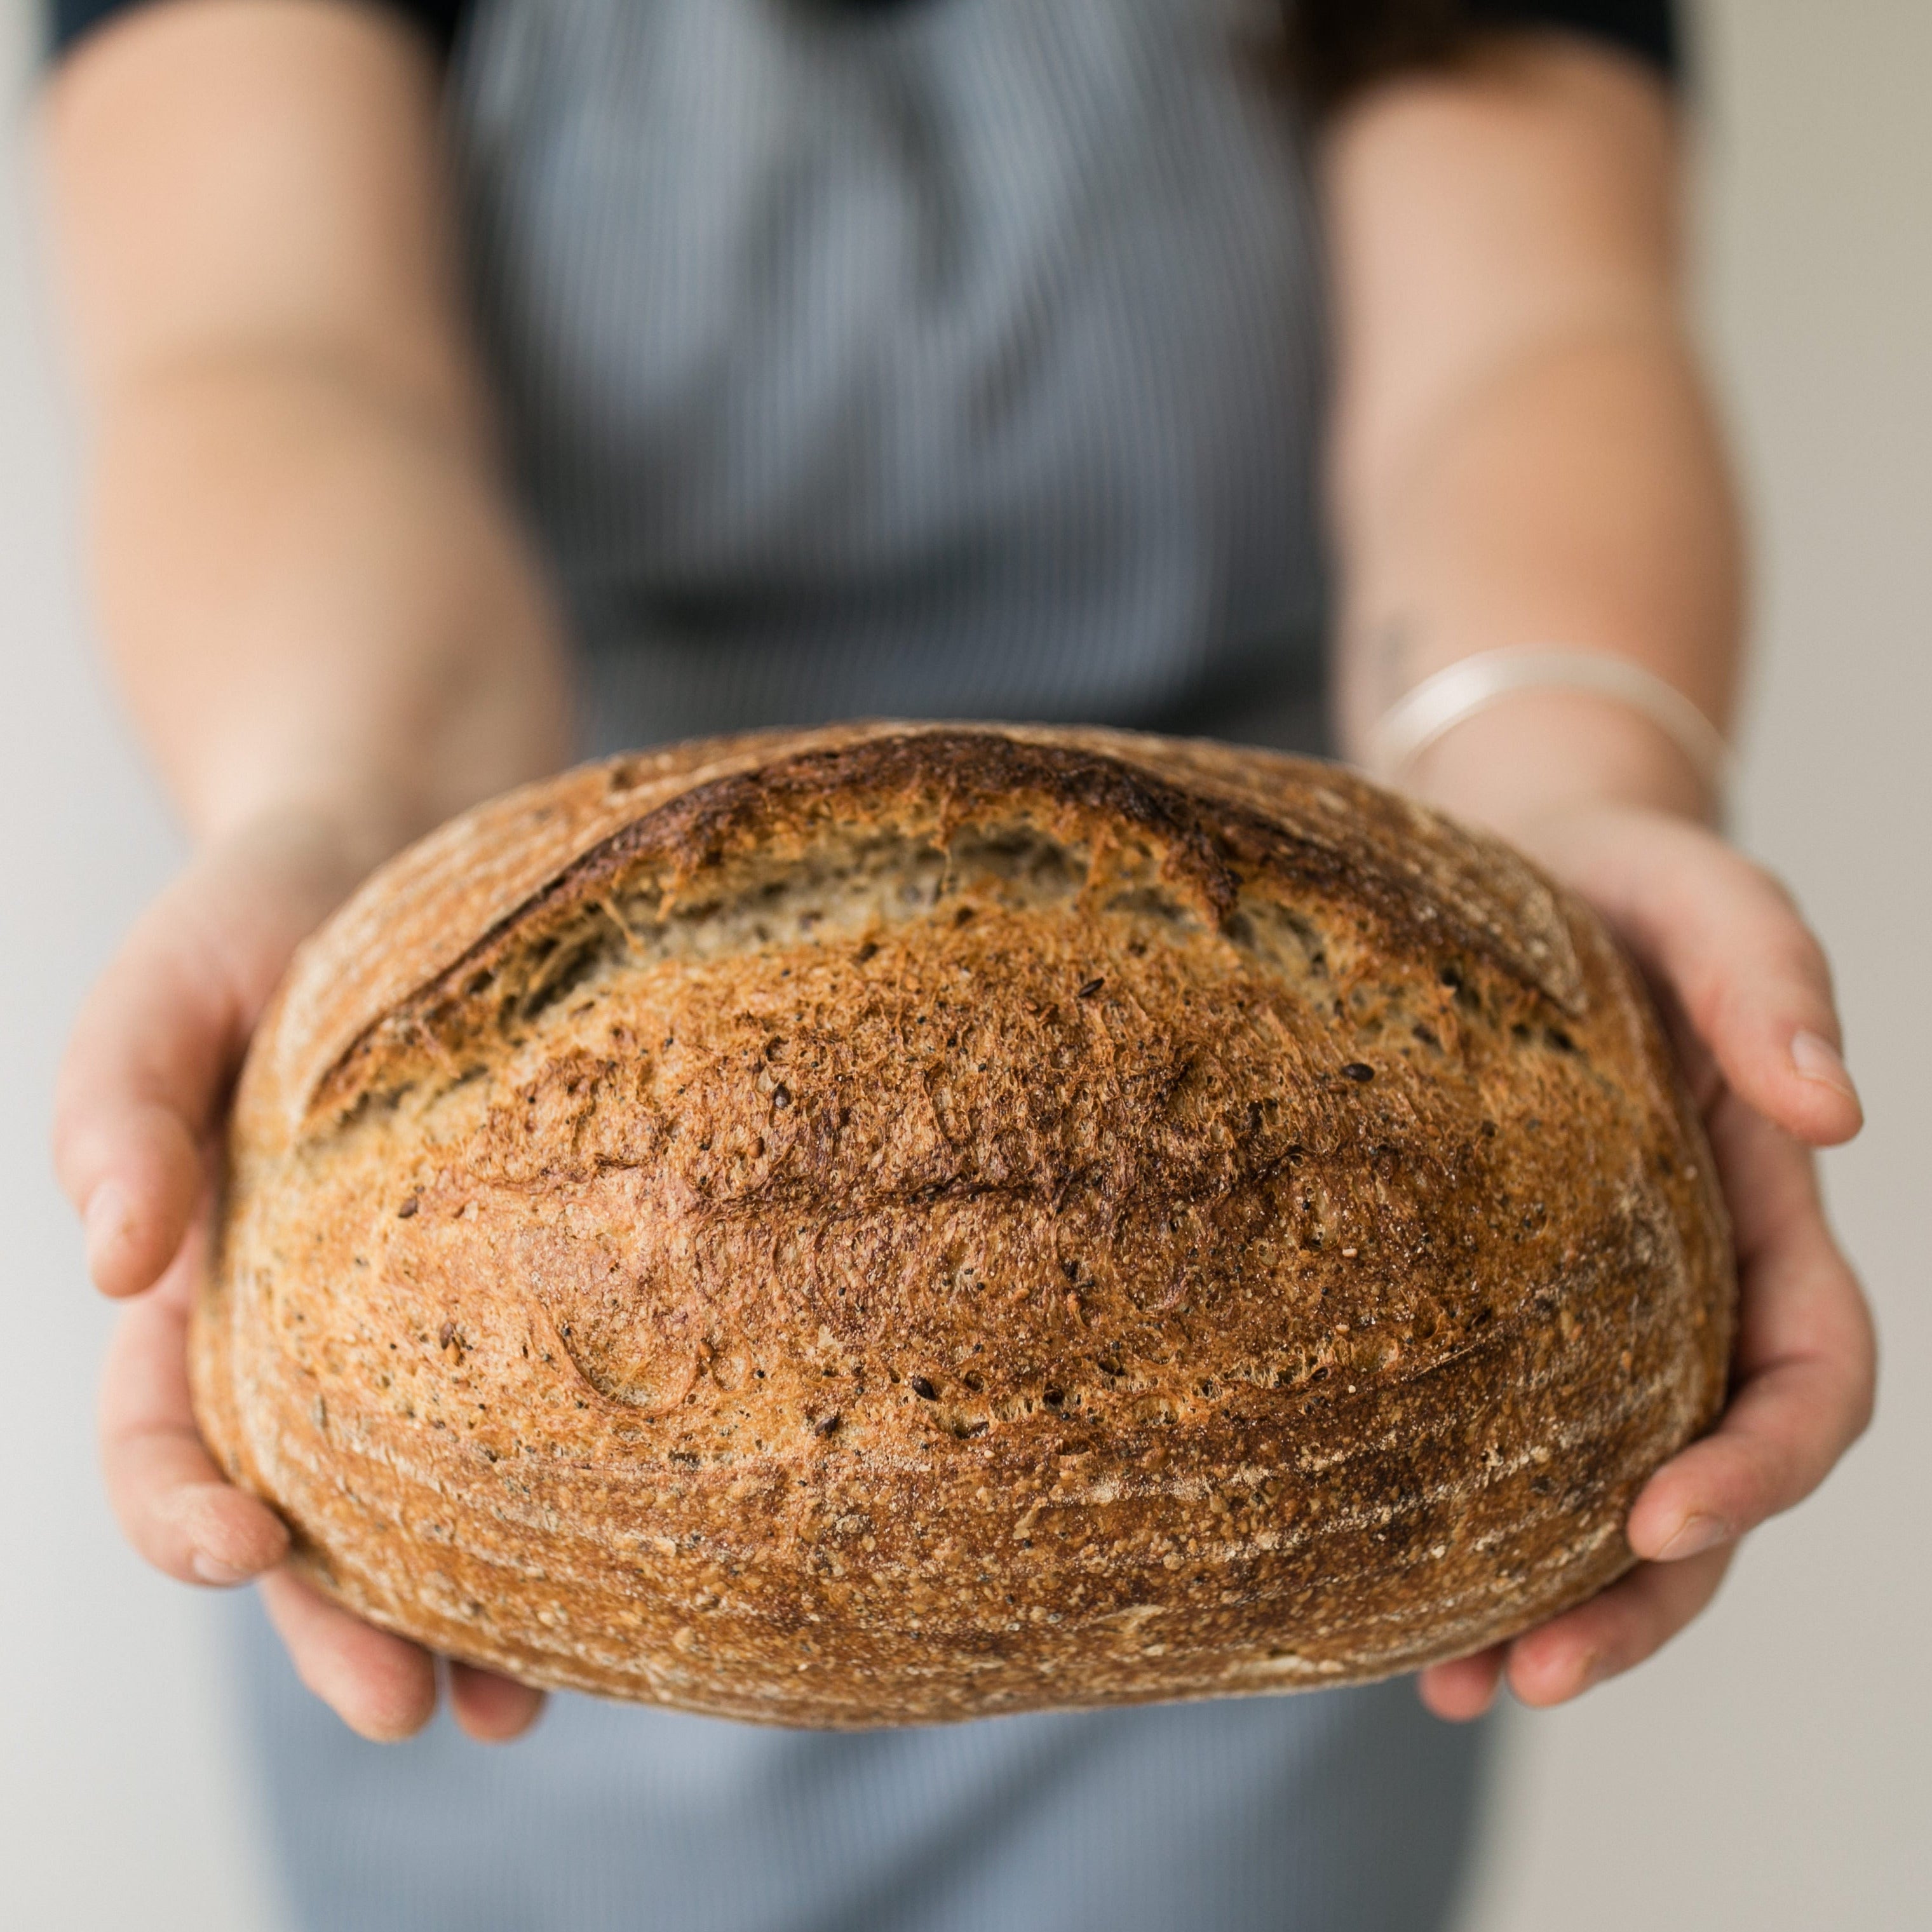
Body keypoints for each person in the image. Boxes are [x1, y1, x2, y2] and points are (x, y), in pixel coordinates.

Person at [41, 1, 1875, 1928]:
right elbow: (280, 356)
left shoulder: (1522, 1154)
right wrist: (343, 814)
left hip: (1329, 1360)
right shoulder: (370, 1277)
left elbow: (1523, 342)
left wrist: (1568, 790)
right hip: (499, 1367)